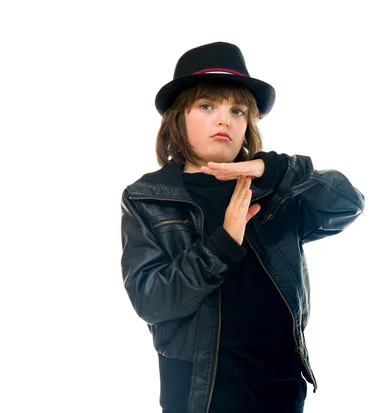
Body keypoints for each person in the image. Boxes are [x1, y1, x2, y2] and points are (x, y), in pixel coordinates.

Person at [120, 41, 365, 413]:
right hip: (200, 392)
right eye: (207, 106)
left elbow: (348, 204)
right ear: (178, 118)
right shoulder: (149, 197)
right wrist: (222, 244)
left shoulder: (273, 189)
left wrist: (280, 171)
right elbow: (151, 300)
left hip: (280, 390)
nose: (224, 120)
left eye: (237, 110)